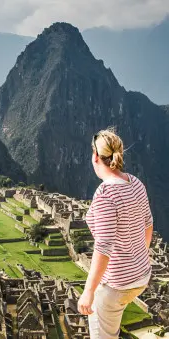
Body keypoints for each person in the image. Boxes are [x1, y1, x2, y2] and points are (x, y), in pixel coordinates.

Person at [78, 128, 153, 339]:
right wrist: (136, 258)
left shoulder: (105, 195)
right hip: (141, 276)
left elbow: (103, 247)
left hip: (116, 285)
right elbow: (148, 225)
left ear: (95, 156)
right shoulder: (135, 183)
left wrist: (89, 291)